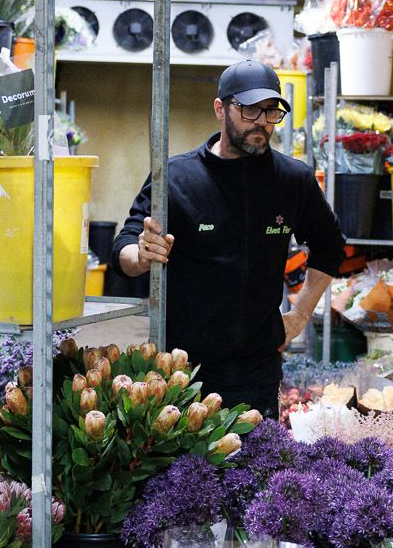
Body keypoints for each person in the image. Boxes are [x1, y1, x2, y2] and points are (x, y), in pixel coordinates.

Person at [114, 59, 345, 416]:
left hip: (258, 371)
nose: (262, 122)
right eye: (250, 109)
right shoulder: (176, 177)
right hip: (183, 371)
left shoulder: (292, 180)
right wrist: (141, 255)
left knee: (257, 453)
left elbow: (330, 246)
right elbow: (124, 247)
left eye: (271, 112)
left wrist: (300, 314)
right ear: (220, 109)